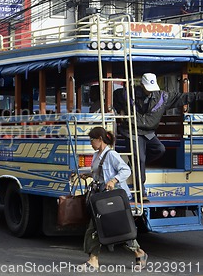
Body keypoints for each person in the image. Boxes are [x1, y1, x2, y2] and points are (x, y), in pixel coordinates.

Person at [113, 73, 203, 200]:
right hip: (132, 131)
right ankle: (141, 193)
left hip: (149, 132)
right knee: (140, 159)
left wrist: (199, 95)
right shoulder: (129, 93)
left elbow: (182, 97)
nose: (150, 92)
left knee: (160, 149)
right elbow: (115, 95)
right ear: (142, 86)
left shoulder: (163, 97)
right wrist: (120, 110)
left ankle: (136, 165)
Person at [79, 126, 148, 272]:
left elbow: (125, 170)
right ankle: (93, 260)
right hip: (100, 198)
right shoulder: (96, 155)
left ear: (100, 139)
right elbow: (101, 174)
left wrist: (114, 180)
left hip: (113, 199)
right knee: (96, 227)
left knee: (117, 228)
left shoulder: (111, 154)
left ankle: (138, 252)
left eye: (92, 140)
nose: (90, 143)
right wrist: (89, 175)